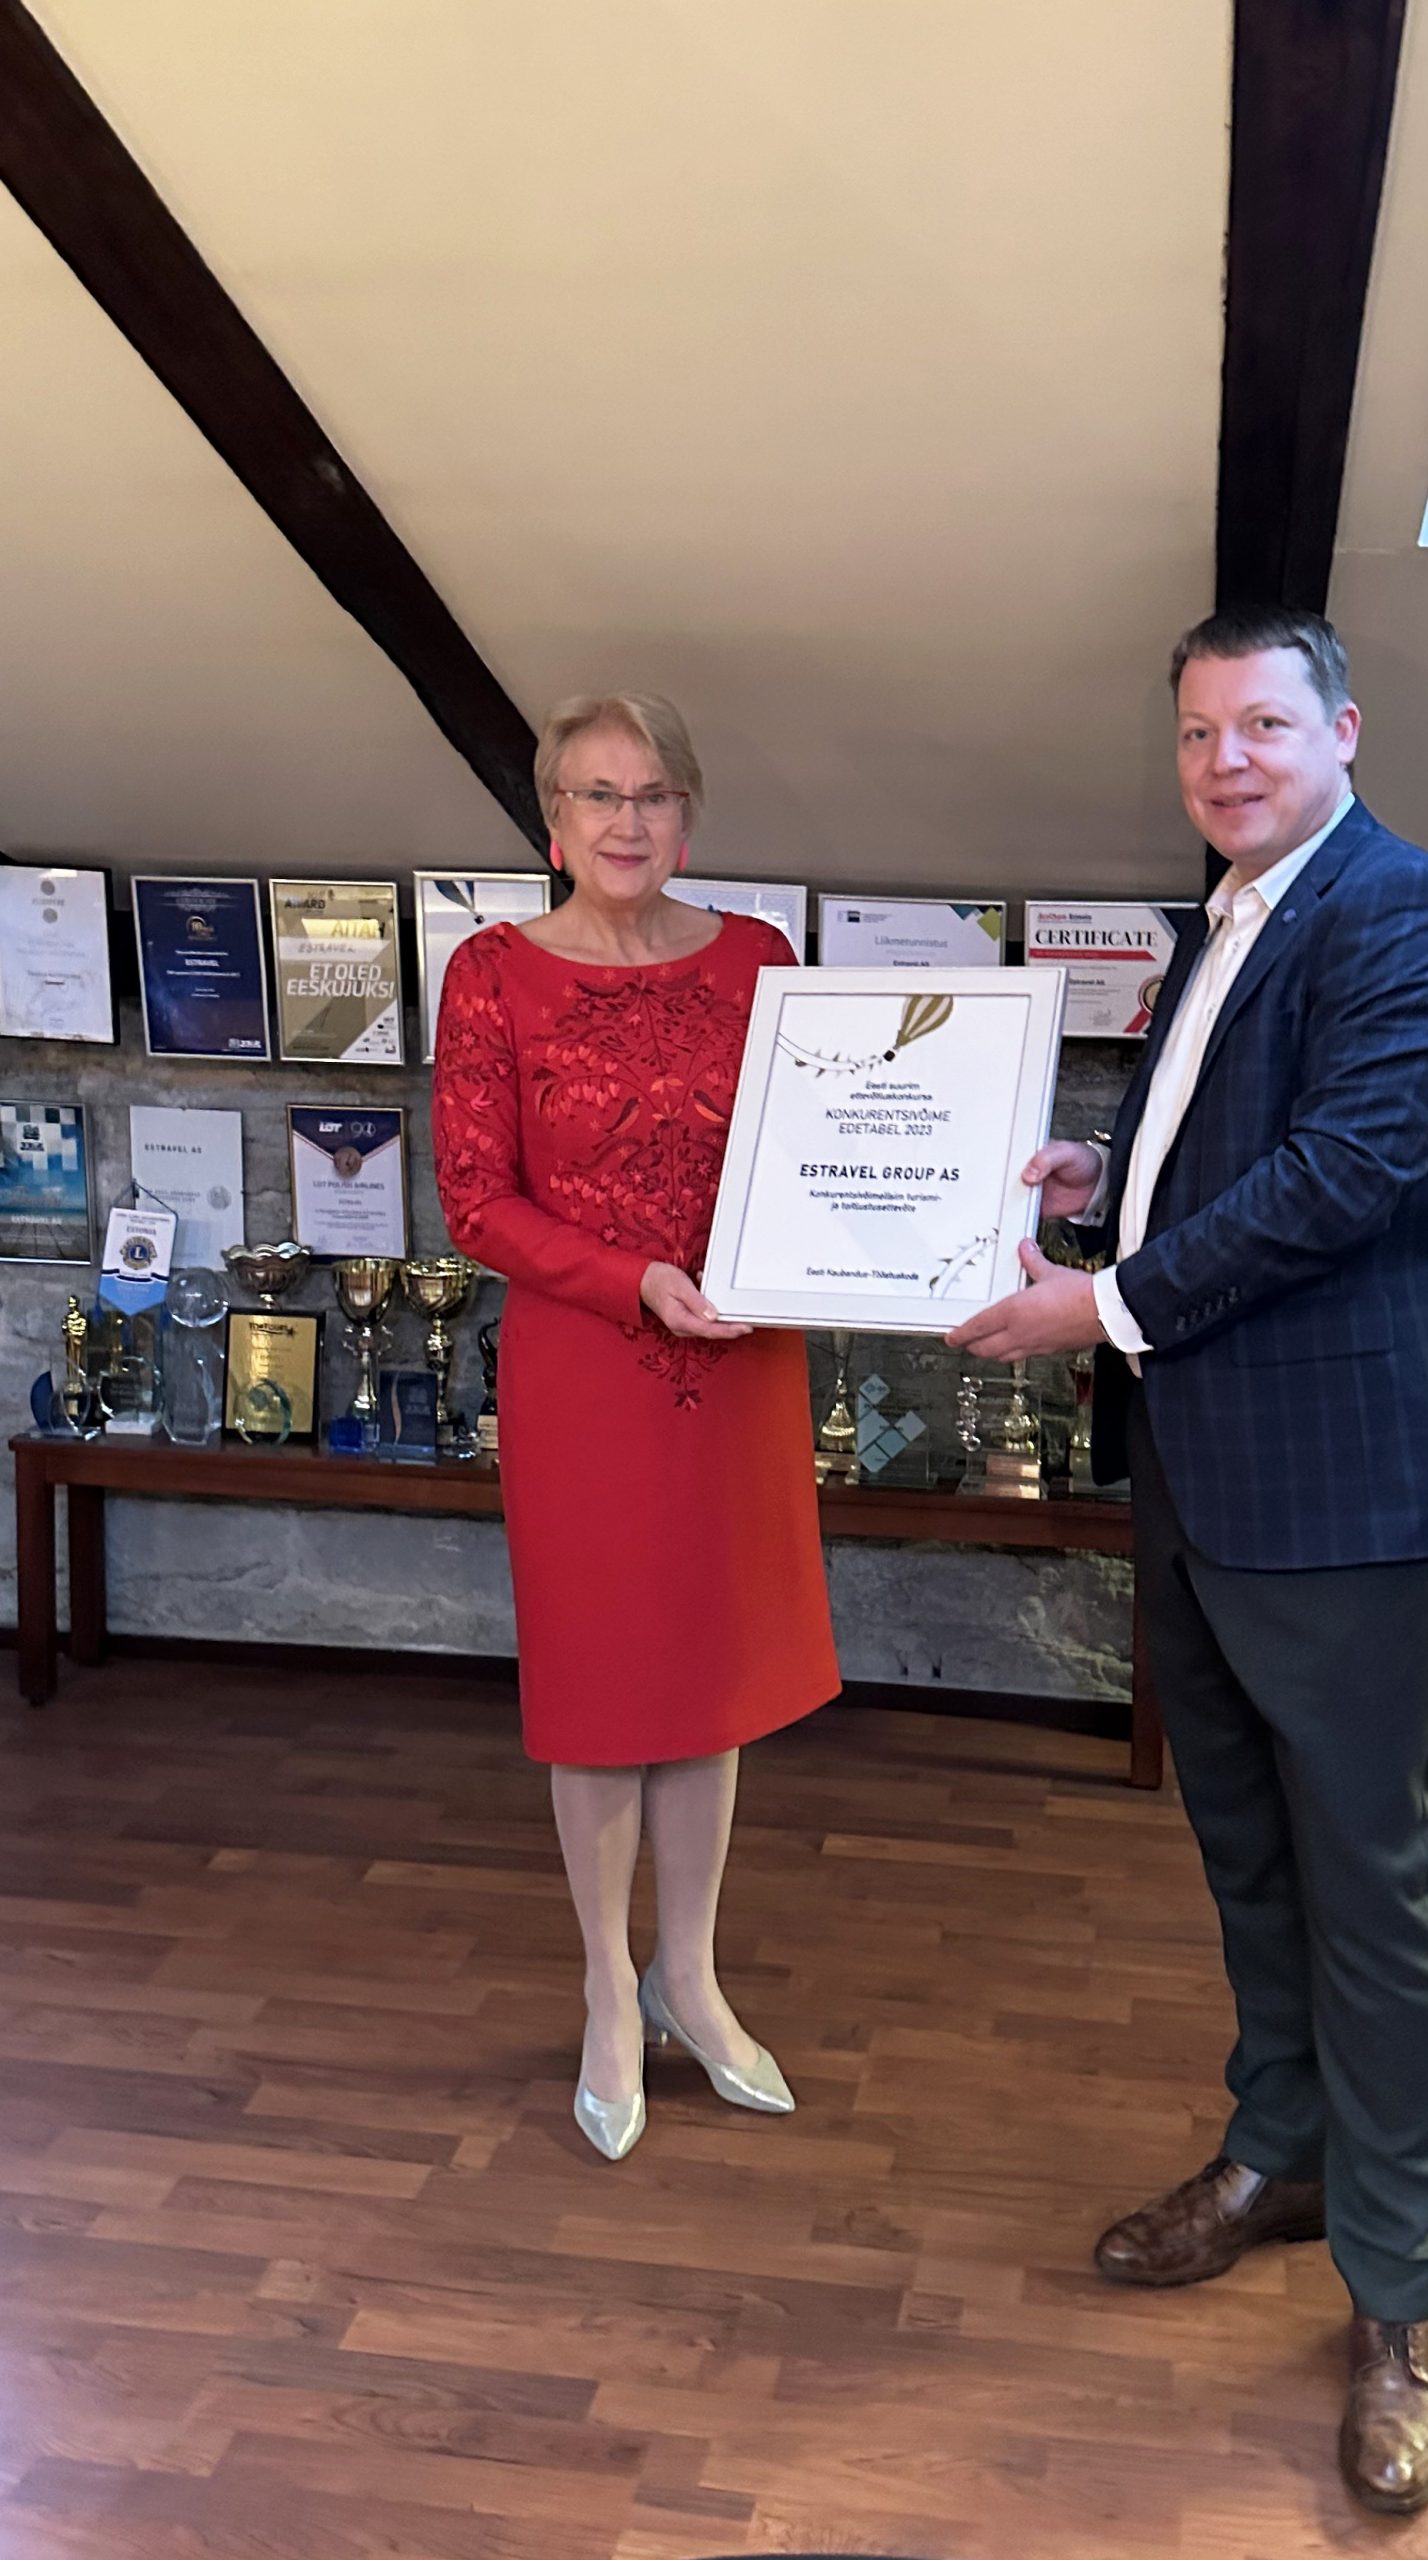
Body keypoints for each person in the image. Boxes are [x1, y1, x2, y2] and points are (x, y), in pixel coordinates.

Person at [947, 606, 1428, 2515]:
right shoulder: (1222, 918)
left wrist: (1099, 1303)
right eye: (1199, 733)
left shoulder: (1405, 910)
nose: (1225, 762)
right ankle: (1280, 2154)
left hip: (1349, 1490)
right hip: (1206, 1477)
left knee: (1371, 1888)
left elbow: (1342, 1176)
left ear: (1341, 730)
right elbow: (1226, 1151)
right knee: (1248, 1852)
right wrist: (1096, 1188)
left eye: (1262, 725)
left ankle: (1400, 2298)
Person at [432, 691, 839, 2164]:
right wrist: (634, 1281)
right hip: (588, 1364)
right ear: (554, 819)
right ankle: (610, 1986)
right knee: (605, 1684)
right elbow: (475, 1203)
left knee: (708, 1678)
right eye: (599, 794)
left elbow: (820, 1144)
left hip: (739, 1358)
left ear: (689, 815)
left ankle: (691, 1975)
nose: (627, 820)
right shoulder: (491, 975)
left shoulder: (758, 959)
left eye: (654, 793)